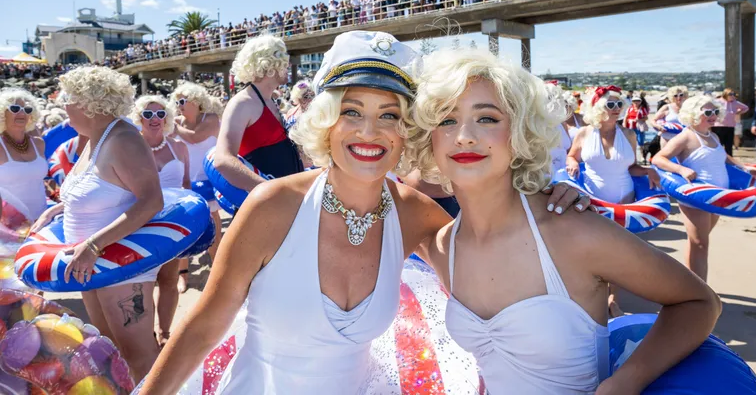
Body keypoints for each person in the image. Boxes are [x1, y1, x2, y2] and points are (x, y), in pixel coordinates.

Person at [139, 31, 588, 395]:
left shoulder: (415, 214)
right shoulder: (272, 206)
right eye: (351, 111)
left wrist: (541, 193)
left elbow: (493, 260)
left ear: (407, 129)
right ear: (326, 120)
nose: (370, 132)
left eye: (390, 115)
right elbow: (202, 329)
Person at [408, 49, 722, 394]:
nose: (465, 135)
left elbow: (699, 302)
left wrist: (627, 381)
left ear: (520, 133)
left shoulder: (571, 231)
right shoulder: (442, 244)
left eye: (487, 118)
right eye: (446, 120)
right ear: (429, 138)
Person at [29, 66, 164, 382]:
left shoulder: (124, 139)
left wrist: (92, 245)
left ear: (88, 103)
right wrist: (60, 209)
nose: (63, 105)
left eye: (68, 99)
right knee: (111, 348)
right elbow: (104, 190)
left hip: (120, 263)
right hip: (92, 264)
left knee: (139, 354)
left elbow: (151, 201)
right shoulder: (94, 138)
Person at [653, 95, 756, 282]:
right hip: (697, 196)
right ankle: (701, 289)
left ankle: (690, 283)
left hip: (718, 196)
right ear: (694, 114)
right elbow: (658, 159)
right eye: (708, 112)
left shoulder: (713, 135)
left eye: (715, 112)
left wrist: (744, 167)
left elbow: (724, 156)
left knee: (698, 243)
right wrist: (681, 169)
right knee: (701, 244)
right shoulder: (686, 137)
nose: (713, 116)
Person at [213, 34, 304, 202]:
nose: (288, 66)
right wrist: (269, 191)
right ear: (270, 64)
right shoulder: (242, 103)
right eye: (284, 61)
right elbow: (223, 159)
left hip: (287, 199)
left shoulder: (270, 100)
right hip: (266, 206)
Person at [131, 95, 191, 348]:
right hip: (138, 223)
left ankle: (164, 331)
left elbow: (186, 186)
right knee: (142, 284)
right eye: (147, 114)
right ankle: (143, 334)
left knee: (168, 279)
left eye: (159, 114)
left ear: (166, 117)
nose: (154, 119)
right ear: (139, 118)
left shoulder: (179, 146)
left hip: (172, 224)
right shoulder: (129, 148)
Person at [566, 85, 661, 204]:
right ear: (598, 108)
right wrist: (573, 163)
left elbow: (631, 168)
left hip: (625, 199)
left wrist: (648, 170)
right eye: (611, 105)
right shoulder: (584, 133)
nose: (617, 108)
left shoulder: (629, 134)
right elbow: (571, 156)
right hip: (590, 201)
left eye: (619, 104)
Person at [170, 83, 222, 293]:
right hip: (184, 183)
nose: (179, 106)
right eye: (177, 102)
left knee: (214, 228)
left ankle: (218, 271)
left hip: (209, 182)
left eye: (183, 101)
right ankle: (183, 274)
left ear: (196, 101)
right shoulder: (175, 122)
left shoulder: (210, 119)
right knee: (184, 230)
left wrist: (174, 128)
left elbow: (194, 136)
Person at [0, 88, 47, 222]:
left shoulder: (39, 144)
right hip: (8, 227)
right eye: (15, 108)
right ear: (3, 113)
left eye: (27, 109)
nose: (22, 113)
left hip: (41, 222)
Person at [712, 88, 748, 156]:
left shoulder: (735, 102)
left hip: (730, 126)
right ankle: (716, 159)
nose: (732, 96)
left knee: (729, 145)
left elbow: (746, 108)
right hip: (718, 126)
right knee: (718, 145)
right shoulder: (717, 101)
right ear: (725, 94)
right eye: (730, 94)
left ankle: (729, 162)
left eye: (733, 94)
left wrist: (738, 112)